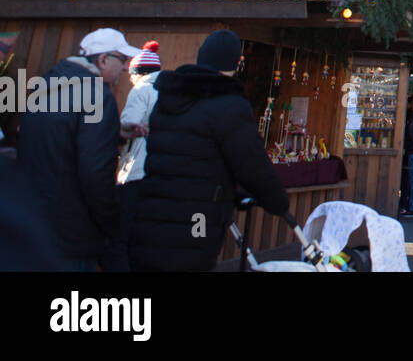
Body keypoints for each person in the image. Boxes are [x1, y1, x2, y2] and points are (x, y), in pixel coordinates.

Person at [130, 30, 289, 271]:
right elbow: (252, 165)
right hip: (197, 217)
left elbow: (186, 155)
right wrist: (277, 201)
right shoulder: (228, 106)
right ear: (234, 65)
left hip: (152, 212)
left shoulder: (168, 97)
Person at [19, 27, 141, 270]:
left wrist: (114, 133)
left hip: (33, 221)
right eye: (123, 59)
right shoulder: (97, 95)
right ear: (103, 60)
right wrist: (112, 223)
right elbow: (95, 173)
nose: (126, 67)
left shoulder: (47, 86)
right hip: (72, 232)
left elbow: (57, 139)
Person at [114, 40, 163, 268]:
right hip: (162, 174)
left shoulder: (141, 89)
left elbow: (128, 125)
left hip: (136, 170)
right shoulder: (169, 90)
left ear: (137, 72)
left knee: (121, 237)